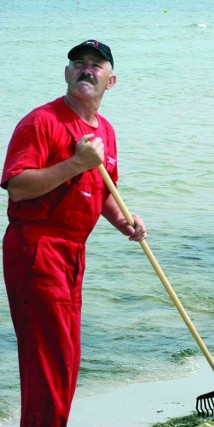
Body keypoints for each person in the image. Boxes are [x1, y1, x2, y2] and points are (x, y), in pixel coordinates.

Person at [1, 39, 147, 426]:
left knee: (66, 357)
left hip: (73, 253)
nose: (86, 69)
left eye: (96, 66)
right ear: (67, 73)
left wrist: (125, 221)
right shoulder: (41, 121)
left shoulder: (107, 132)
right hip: (36, 245)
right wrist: (75, 163)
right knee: (48, 360)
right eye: (78, 63)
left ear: (110, 81)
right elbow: (18, 186)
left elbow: (103, 192)